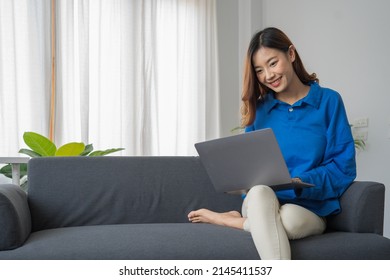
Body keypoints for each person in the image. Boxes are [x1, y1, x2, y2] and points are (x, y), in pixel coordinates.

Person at [188, 27, 356, 260]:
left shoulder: (329, 101)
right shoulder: (260, 109)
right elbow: (249, 171)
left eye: (273, 63)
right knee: (258, 193)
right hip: (260, 201)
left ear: (291, 54)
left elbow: (343, 167)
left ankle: (228, 220)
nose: (268, 75)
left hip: (308, 207)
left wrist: (300, 181)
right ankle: (247, 219)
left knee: (286, 221)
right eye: (259, 70)